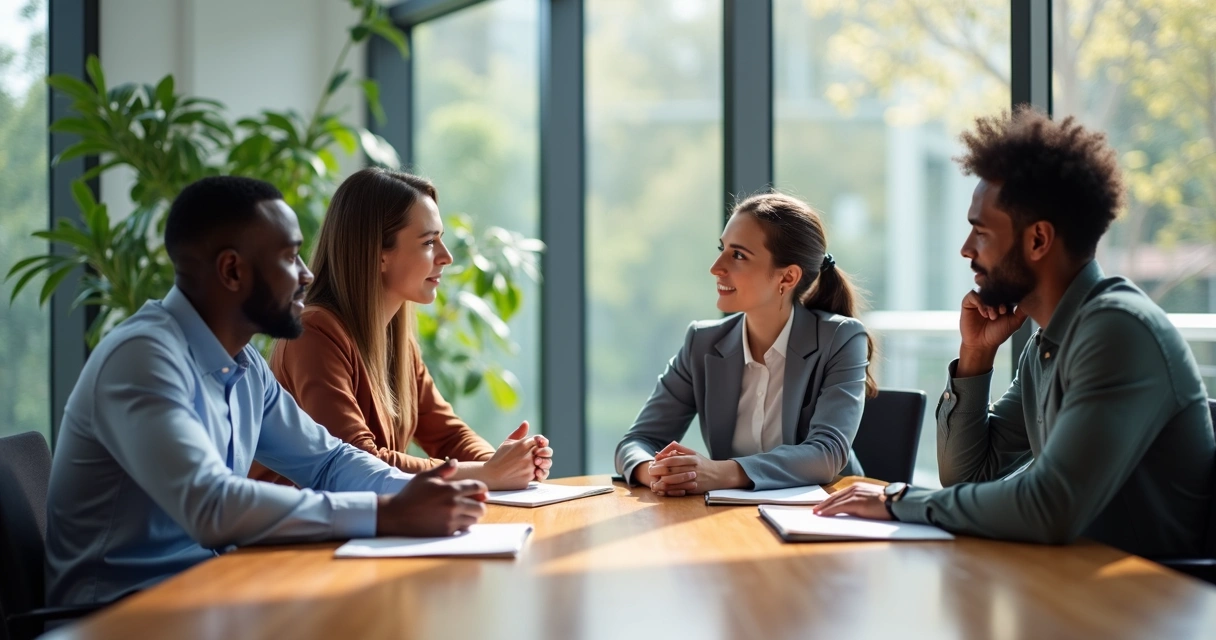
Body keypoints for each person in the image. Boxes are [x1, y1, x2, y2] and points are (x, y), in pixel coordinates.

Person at [45, 177, 489, 608]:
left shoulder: (242, 364)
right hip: (121, 616)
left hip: (210, 595)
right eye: (290, 256)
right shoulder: (143, 359)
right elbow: (212, 505)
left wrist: (419, 490)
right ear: (232, 270)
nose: (307, 273)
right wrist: (387, 512)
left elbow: (329, 461)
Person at [815, 108, 1215, 558]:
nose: (966, 250)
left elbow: (1050, 506)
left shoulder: (1117, 332)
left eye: (981, 233)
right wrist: (975, 357)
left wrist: (897, 500)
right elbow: (967, 475)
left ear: (1038, 241)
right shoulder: (1049, 343)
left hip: (1147, 609)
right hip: (1073, 592)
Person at [248, 168, 552, 490]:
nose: (446, 257)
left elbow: (448, 435)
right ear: (379, 253)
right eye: (429, 242)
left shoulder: (394, 338)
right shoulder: (313, 333)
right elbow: (358, 463)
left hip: (358, 529)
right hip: (292, 537)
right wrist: (487, 474)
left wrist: (504, 464)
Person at [615, 192, 877, 495]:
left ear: (788, 277)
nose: (716, 267)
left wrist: (720, 472)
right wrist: (657, 472)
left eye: (738, 255)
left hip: (828, 514)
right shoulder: (702, 342)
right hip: (733, 519)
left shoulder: (841, 338)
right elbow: (638, 441)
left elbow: (826, 454)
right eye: (722, 249)